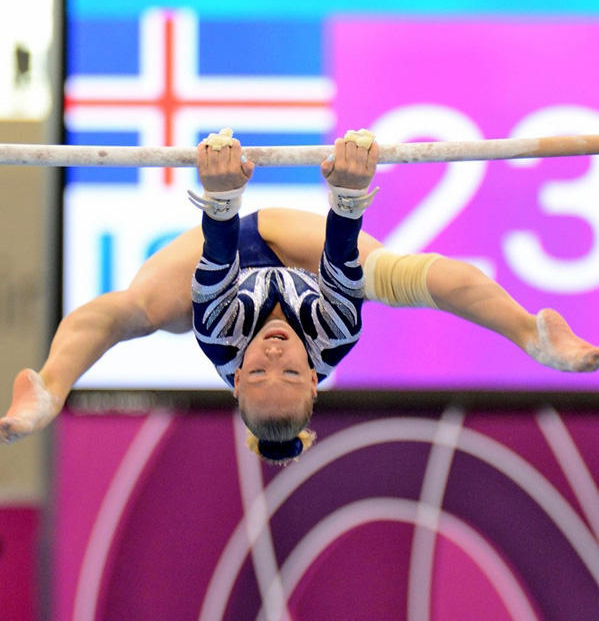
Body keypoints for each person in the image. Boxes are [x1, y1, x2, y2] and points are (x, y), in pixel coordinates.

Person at [1, 129, 598, 463]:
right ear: (314, 380)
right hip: (307, 256)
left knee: (135, 309)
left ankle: (51, 385)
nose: (276, 353)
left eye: (259, 371)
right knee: (402, 277)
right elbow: (342, 252)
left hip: (228, 266)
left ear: (236, 379)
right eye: (289, 371)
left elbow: (220, 245)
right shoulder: (332, 336)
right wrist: (349, 190)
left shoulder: (224, 336)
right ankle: (529, 333)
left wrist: (221, 193)